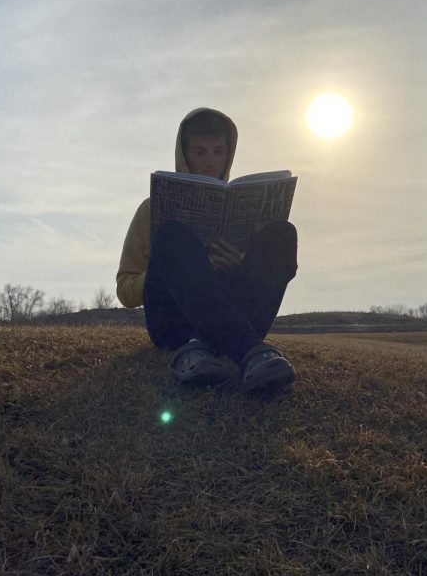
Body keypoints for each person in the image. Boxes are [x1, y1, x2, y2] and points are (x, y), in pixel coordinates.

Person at [116, 107, 298, 397]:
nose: (210, 161)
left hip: (242, 312)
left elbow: (269, 271)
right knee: (172, 233)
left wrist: (241, 264)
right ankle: (249, 351)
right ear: (184, 153)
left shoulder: (242, 205)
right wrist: (172, 267)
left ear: (229, 153)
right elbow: (125, 289)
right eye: (200, 151)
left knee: (283, 233)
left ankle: (203, 346)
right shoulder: (151, 209)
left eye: (218, 151)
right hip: (173, 327)